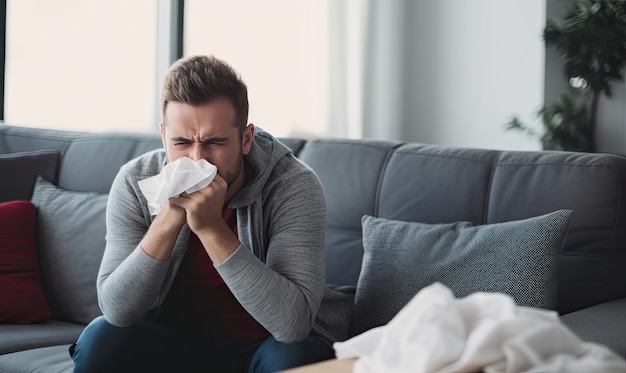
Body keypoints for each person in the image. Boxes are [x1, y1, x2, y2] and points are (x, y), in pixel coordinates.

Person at [70, 55, 335, 373]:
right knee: (101, 338)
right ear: (163, 135)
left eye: (214, 142)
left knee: (293, 356)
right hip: (173, 345)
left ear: (246, 139)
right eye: (181, 142)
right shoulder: (136, 180)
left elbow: (292, 325)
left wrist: (211, 229)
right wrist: (167, 221)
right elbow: (117, 311)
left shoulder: (293, 185)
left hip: (262, 347)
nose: (198, 160)